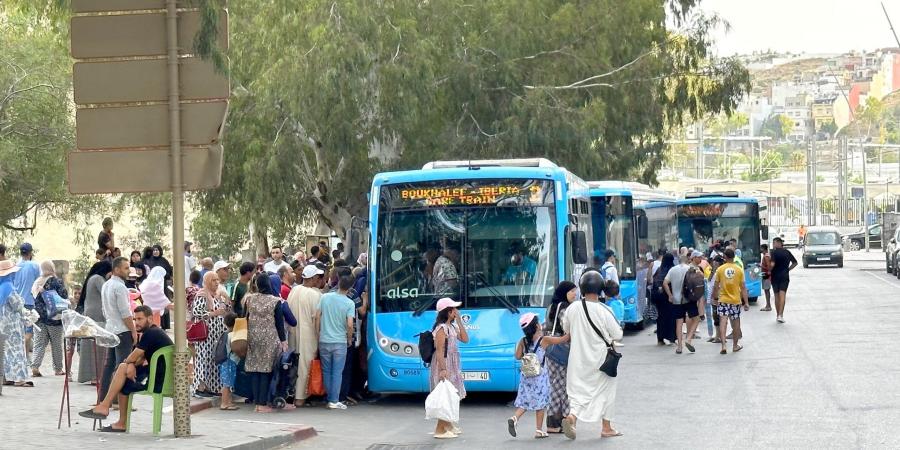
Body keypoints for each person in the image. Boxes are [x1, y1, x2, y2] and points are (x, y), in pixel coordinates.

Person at [78, 305, 173, 432]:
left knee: (122, 370)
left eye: (140, 319)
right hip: (160, 376)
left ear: (150, 319)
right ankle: (115, 417)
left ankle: (106, 407)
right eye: (135, 319)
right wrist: (131, 364)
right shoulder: (154, 332)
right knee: (124, 380)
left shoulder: (151, 333)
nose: (137, 323)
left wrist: (128, 364)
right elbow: (139, 358)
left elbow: (133, 356)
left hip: (158, 381)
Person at [562, 270, 623, 440]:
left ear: (582, 287)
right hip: (600, 359)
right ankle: (606, 427)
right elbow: (618, 335)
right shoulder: (604, 310)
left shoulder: (573, 308)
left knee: (578, 392)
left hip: (577, 359)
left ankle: (572, 417)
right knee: (607, 390)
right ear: (601, 289)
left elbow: (566, 329)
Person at [507, 312, 567, 439]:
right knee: (541, 403)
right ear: (537, 326)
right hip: (540, 377)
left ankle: (514, 418)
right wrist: (571, 332)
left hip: (526, 377)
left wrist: (526, 354)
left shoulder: (522, 341)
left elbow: (517, 356)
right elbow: (563, 340)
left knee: (525, 401)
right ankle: (539, 430)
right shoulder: (544, 340)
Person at [242, 274, 287, 412]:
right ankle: (262, 404)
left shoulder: (250, 299)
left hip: (253, 337)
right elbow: (279, 323)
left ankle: (257, 402)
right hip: (269, 339)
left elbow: (245, 317)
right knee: (266, 370)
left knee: (255, 369)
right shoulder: (275, 301)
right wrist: (283, 341)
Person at [429, 297, 468, 439]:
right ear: (448, 312)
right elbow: (439, 350)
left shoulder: (451, 327)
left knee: (452, 394)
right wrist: (443, 370)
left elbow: (465, 339)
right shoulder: (441, 328)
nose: (457, 311)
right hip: (444, 364)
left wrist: (459, 321)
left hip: (453, 364)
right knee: (445, 396)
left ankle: (448, 425)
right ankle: (440, 429)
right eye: (454, 309)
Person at [318, 268, 356, 410]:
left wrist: (318, 333)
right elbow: (350, 324)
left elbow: (317, 317)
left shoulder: (325, 297)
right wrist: (349, 338)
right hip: (339, 341)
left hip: (324, 339)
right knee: (337, 372)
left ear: (338, 283)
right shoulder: (349, 303)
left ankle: (330, 398)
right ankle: (334, 400)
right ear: (351, 287)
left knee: (326, 370)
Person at [286, 264, 324, 406]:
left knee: (294, 364)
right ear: (313, 278)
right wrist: (319, 338)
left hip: (292, 333)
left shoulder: (294, 290)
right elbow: (317, 320)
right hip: (309, 335)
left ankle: (292, 393)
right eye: (317, 277)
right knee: (305, 365)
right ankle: (301, 397)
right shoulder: (316, 295)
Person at [100, 257, 137, 401]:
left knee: (109, 366)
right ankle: (117, 399)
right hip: (122, 330)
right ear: (116, 269)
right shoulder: (120, 287)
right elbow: (125, 313)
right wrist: (133, 330)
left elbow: (105, 310)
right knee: (122, 366)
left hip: (110, 328)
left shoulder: (106, 285)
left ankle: (103, 398)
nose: (128, 271)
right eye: (126, 268)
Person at [191, 271, 231, 397]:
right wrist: (214, 313)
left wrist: (225, 302)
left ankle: (211, 387)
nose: (216, 283)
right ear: (207, 281)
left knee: (213, 361)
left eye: (217, 280)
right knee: (203, 360)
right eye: (213, 280)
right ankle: (200, 388)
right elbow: (197, 312)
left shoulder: (216, 295)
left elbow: (225, 310)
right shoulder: (202, 295)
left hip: (216, 335)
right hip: (205, 335)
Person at [544, 281, 576, 434]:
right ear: (565, 293)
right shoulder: (564, 308)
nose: (574, 295)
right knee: (562, 386)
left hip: (551, 350)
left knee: (555, 383)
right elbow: (567, 328)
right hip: (561, 348)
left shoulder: (551, 306)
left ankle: (559, 421)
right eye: (572, 292)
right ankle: (556, 421)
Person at [30, 261, 68, 377]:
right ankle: (58, 369)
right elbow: (64, 296)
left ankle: (35, 366)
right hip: (54, 318)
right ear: (52, 268)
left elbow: (33, 297)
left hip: (39, 318)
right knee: (56, 344)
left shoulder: (37, 282)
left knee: (39, 344)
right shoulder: (56, 281)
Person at [77, 260, 112, 384]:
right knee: (97, 348)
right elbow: (107, 291)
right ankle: (96, 376)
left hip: (91, 314)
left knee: (90, 347)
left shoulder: (92, 278)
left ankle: (92, 376)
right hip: (97, 316)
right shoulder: (98, 279)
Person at [711, 249, 750, 354]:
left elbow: (716, 286)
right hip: (735, 301)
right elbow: (743, 287)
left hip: (723, 300)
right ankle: (735, 345)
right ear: (734, 257)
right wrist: (746, 302)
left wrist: (715, 297)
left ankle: (723, 345)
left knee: (723, 322)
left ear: (725, 257)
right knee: (736, 323)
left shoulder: (720, 269)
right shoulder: (739, 270)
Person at [1, 259, 32, 387]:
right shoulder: (9, 287)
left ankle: (6, 377)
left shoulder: (1, 287)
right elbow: (18, 304)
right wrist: (28, 315)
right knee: (17, 350)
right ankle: (19, 378)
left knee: (5, 351)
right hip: (12, 325)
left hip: (3, 323)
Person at [663, 254, 697, 354]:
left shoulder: (672, 270)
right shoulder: (691, 268)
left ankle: (679, 347)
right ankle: (689, 338)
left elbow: (665, 283)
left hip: (676, 300)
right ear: (687, 260)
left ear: (678, 261)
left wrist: (670, 295)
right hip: (689, 299)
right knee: (696, 318)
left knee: (679, 322)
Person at [14, 243, 40, 358]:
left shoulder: (15, 266)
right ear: (30, 253)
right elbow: (39, 282)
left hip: (17, 302)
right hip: (29, 301)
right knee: (28, 332)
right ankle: (25, 357)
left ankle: (19, 356)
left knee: (18, 331)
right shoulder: (34, 265)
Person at [769, 237, 798, 323]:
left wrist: (769, 270)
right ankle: (780, 315)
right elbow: (795, 263)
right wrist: (788, 269)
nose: (773, 245)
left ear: (778, 243)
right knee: (783, 295)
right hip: (784, 276)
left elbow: (772, 264)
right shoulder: (787, 252)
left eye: (774, 243)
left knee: (776, 295)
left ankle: (778, 315)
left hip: (775, 276)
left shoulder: (773, 253)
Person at [651, 253, 676, 345]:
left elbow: (653, 282)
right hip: (670, 297)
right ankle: (671, 338)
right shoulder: (672, 269)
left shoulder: (659, 270)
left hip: (659, 299)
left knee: (660, 318)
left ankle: (660, 339)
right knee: (671, 318)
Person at [218, 312, 240, 411]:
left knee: (229, 382)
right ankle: (224, 403)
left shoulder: (225, 333)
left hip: (225, 361)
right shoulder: (232, 335)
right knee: (227, 384)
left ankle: (228, 401)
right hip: (229, 361)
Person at [760, 244, 773, 312]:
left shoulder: (766, 256)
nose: (760, 250)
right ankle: (768, 305)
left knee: (767, 290)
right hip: (765, 275)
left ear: (763, 249)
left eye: (761, 248)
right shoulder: (766, 256)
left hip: (766, 275)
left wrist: (761, 266)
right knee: (766, 290)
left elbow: (769, 267)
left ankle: (768, 306)